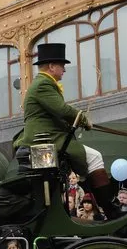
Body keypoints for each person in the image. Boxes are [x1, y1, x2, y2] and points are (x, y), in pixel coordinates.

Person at [13, 43, 120, 218]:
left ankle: (103, 206)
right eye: (62, 66)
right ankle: (109, 209)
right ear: (51, 66)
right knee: (95, 158)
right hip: (45, 139)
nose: (64, 70)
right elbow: (62, 110)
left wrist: (78, 121)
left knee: (90, 161)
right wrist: (83, 119)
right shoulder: (42, 85)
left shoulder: (43, 84)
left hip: (49, 136)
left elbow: (58, 113)